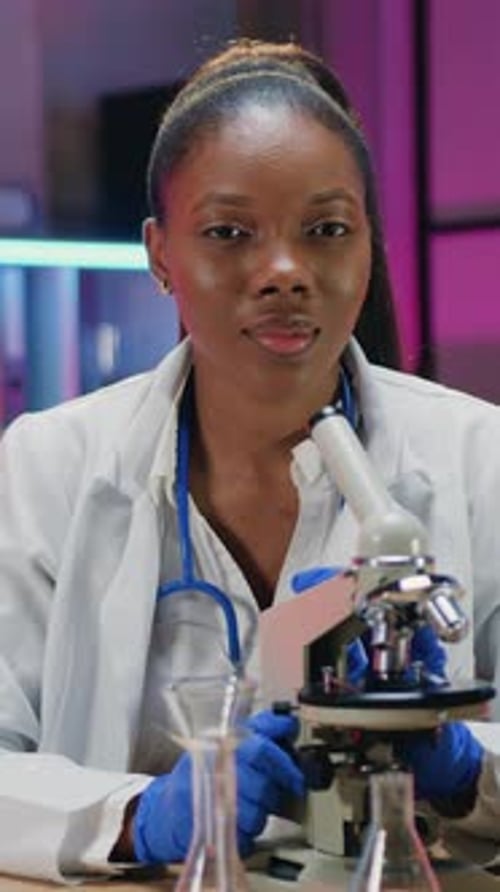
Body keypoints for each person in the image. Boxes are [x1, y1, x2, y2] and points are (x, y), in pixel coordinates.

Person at [1, 36, 500, 883]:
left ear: (367, 247)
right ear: (162, 255)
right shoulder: (49, 466)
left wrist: (462, 768)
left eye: (326, 230)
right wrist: (133, 818)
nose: (283, 271)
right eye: (230, 232)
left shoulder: (478, 456)